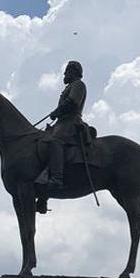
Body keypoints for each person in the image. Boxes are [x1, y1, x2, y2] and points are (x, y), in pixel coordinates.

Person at [37, 60, 87, 214]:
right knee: (42, 141)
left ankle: (57, 179)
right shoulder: (69, 86)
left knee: (55, 141)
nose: (64, 74)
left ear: (74, 72)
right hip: (61, 122)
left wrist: (57, 112)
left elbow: (72, 103)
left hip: (71, 122)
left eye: (67, 71)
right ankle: (43, 195)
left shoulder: (78, 85)